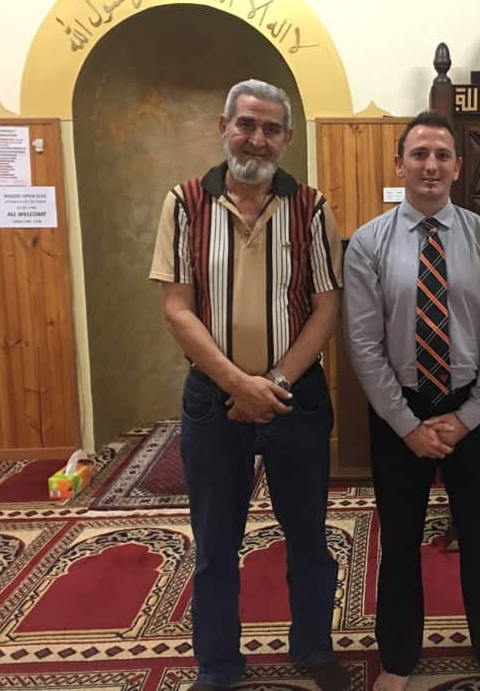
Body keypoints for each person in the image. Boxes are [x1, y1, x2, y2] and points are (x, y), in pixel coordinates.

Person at [149, 78, 349, 691]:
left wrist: (276, 381)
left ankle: (313, 649)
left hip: (298, 398)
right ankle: (217, 664)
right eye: (246, 124)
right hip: (215, 401)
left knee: (309, 538)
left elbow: (326, 307)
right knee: (214, 542)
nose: (256, 139)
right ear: (223, 126)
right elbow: (177, 308)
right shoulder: (184, 203)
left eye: (269, 129)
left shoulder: (311, 207)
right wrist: (239, 383)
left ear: (287, 137)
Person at [343, 111, 480, 691]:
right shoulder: (368, 243)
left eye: (442, 154)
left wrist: (470, 418)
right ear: (399, 164)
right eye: (419, 154)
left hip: (471, 408)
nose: (430, 165)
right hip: (400, 408)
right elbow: (363, 345)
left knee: (478, 537)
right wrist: (406, 424)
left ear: (458, 166)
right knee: (399, 540)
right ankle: (397, 659)